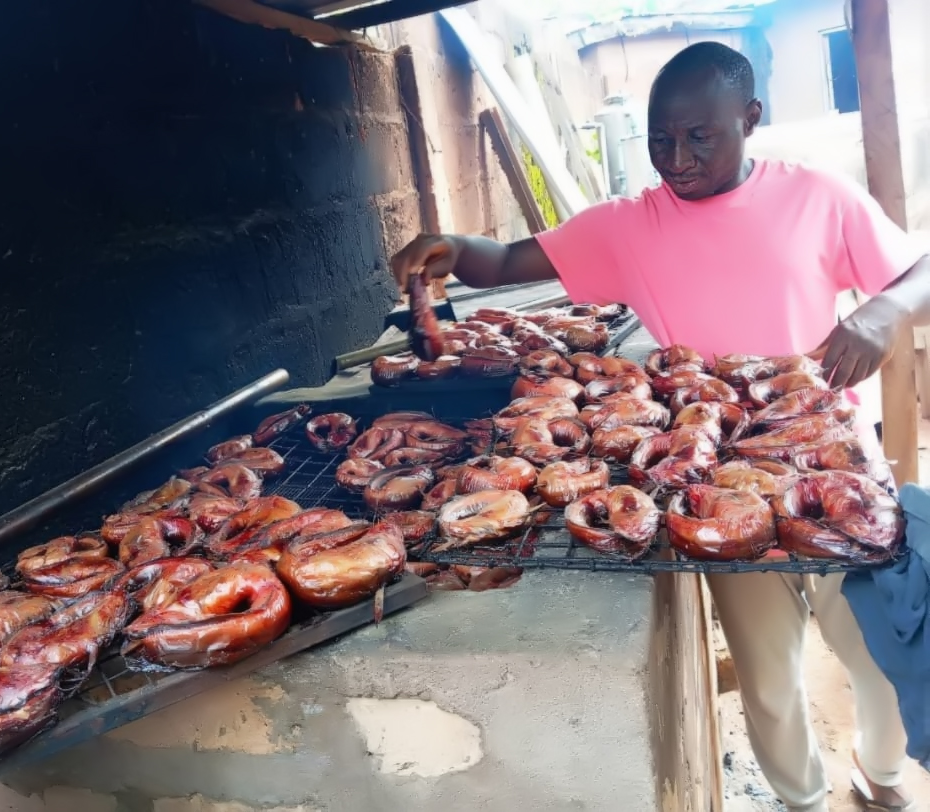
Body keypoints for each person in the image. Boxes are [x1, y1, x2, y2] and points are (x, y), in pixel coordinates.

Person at [390, 42, 930, 812]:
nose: (676, 159)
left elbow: (921, 269)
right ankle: (802, 800)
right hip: (715, 478)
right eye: (660, 139)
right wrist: (448, 247)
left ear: (750, 120)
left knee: (877, 646)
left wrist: (879, 313)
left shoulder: (818, 197)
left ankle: (881, 775)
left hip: (830, 459)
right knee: (767, 666)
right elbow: (509, 258)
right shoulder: (631, 225)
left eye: (699, 137)